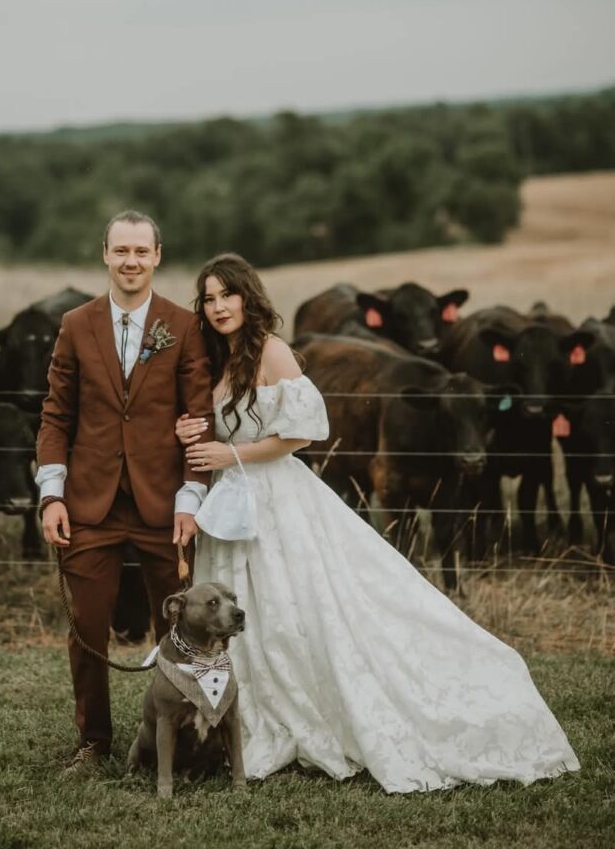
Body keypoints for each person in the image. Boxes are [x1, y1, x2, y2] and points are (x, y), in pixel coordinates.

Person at [176, 252, 580, 793]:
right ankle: (249, 719)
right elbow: (218, 429)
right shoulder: (214, 359)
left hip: (276, 496)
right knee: (255, 610)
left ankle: (316, 714)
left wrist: (232, 456)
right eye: (209, 297)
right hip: (231, 505)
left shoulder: (271, 352)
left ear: (248, 298)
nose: (219, 306)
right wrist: (194, 436)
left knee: (307, 607)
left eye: (228, 294)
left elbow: (304, 432)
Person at [36, 210, 214, 770]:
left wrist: (191, 497)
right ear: (105, 255)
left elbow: (200, 416)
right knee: (88, 626)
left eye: (141, 251)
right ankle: (94, 742)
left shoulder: (184, 326)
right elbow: (55, 417)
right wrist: (52, 493)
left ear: (158, 255)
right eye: (121, 251)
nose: (131, 262)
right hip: (90, 505)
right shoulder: (75, 324)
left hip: (166, 506)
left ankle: (186, 741)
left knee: (184, 630)